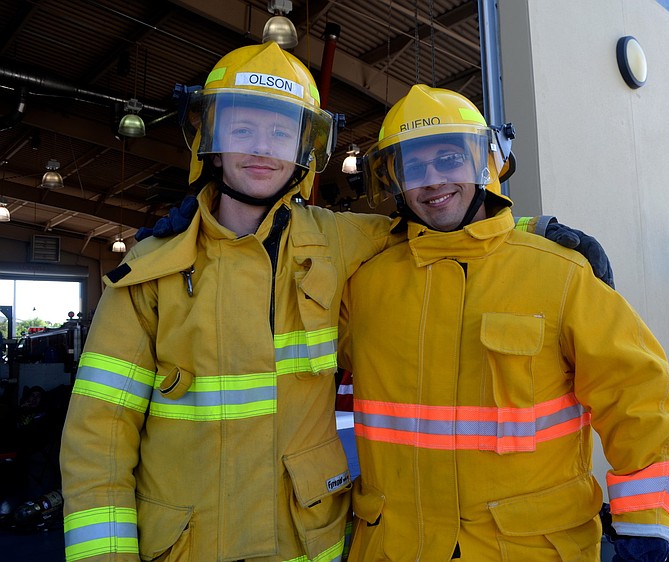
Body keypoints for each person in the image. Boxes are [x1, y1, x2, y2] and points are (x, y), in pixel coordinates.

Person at [59, 43, 611, 562]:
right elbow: (98, 436)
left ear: (305, 147)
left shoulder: (339, 240)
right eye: (243, 128)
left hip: (307, 542)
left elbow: (438, 223)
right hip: (188, 546)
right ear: (210, 139)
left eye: (281, 132)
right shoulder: (151, 271)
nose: (262, 148)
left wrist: (528, 230)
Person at [338, 85, 669, 562]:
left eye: (449, 159)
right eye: (414, 167)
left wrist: (644, 527)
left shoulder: (560, 274)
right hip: (395, 548)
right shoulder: (364, 285)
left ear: (485, 162)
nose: (433, 180)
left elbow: (636, 396)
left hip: (530, 548)